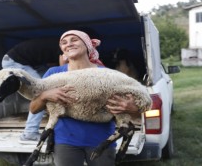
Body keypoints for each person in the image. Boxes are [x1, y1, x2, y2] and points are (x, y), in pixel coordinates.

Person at [29, 30, 141, 166]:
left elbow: (137, 111)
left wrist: (132, 108)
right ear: (62, 50)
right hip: (66, 142)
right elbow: (33, 109)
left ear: (88, 45)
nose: (69, 44)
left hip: (101, 142)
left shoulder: (106, 75)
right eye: (64, 43)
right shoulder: (53, 74)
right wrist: (44, 95)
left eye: (74, 40)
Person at [1, 38, 61, 144]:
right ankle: (30, 133)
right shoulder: (62, 48)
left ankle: (41, 111)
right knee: (41, 92)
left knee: (47, 82)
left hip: (27, 62)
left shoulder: (58, 45)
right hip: (14, 62)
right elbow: (64, 69)